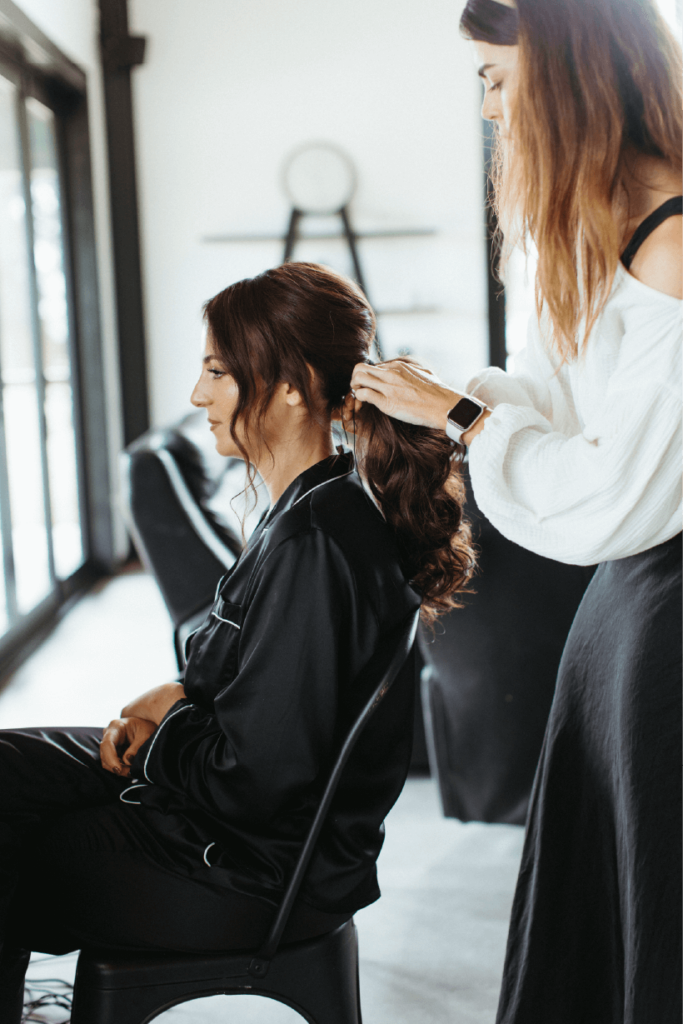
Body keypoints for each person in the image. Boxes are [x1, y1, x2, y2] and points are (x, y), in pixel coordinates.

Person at [0, 262, 474, 1012]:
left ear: (292, 387)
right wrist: (178, 699)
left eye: (218, 373)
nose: (198, 395)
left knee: (22, 844)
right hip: (240, 831)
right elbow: (268, 698)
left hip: (248, 873)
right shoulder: (310, 508)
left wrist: (168, 724)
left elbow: (255, 781)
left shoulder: (316, 543)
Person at [349, 1, 682, 1021]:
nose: (490, 109)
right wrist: (452, 404)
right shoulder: (597, 229)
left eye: (496, 79)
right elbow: (562, 407)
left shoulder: (675, 239)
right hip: (623, 605)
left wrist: (460, 417)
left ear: (570, 70)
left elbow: (615, 490)